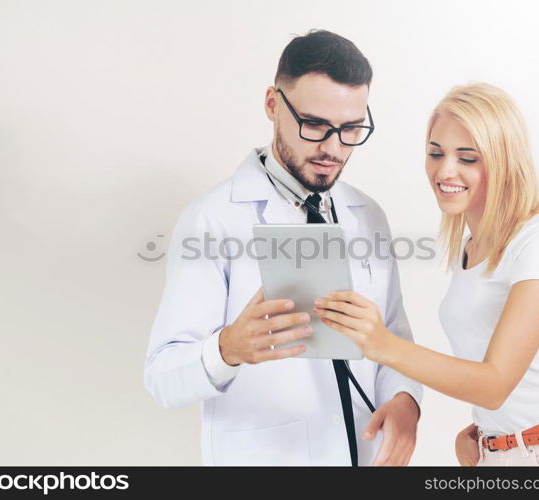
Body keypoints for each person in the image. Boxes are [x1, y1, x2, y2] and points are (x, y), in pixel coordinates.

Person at [313, 82, 539, 466]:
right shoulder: (468, 249)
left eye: (468, 158)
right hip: (510, 454)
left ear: (503, 161)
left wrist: (381, 343)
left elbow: (495, 383)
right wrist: (490, 441)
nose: (444, 170)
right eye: (436, 153)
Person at [143, 30, 422, 466]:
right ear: (273, 105)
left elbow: (394, 340)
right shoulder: (213, 220)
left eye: (350, 129)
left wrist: (406, 402)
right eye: (314, 125)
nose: (333, 149)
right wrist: (228, 348)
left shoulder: (368, 215)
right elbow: (162, 379)